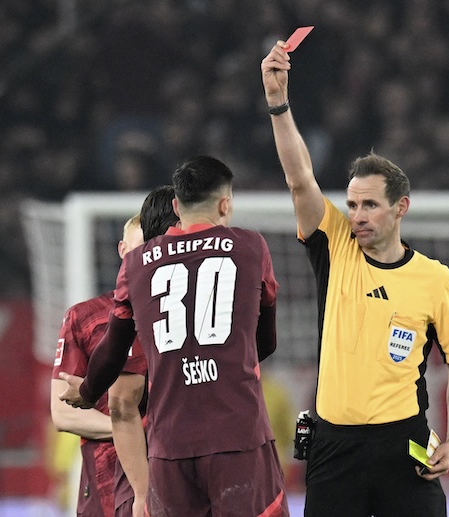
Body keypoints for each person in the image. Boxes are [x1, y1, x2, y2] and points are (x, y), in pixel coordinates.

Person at [261, 42, 449, 517]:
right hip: (333, 445)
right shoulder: (334, 243)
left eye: (370, 205)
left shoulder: (435, 279)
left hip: (405, 443)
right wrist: (278, 102)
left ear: (401, 207)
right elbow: (300, 178)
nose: (356, 215)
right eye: (353, 204)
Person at [59, 156, 290, 516]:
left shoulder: (137, 264)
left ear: (176, 207)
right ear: (226, 204)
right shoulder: (249, 247)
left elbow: (114, 348)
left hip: (168, 445)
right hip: (236, 432)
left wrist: (87, 391)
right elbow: (266, 342)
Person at [51, 186, 179, 517]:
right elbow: (63, 413)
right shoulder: (85, 317)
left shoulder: (180, 313)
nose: (147, 260)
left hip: (173, 473)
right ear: (123, 250)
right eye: (139, 250)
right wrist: (133, 429)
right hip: (105, 481)